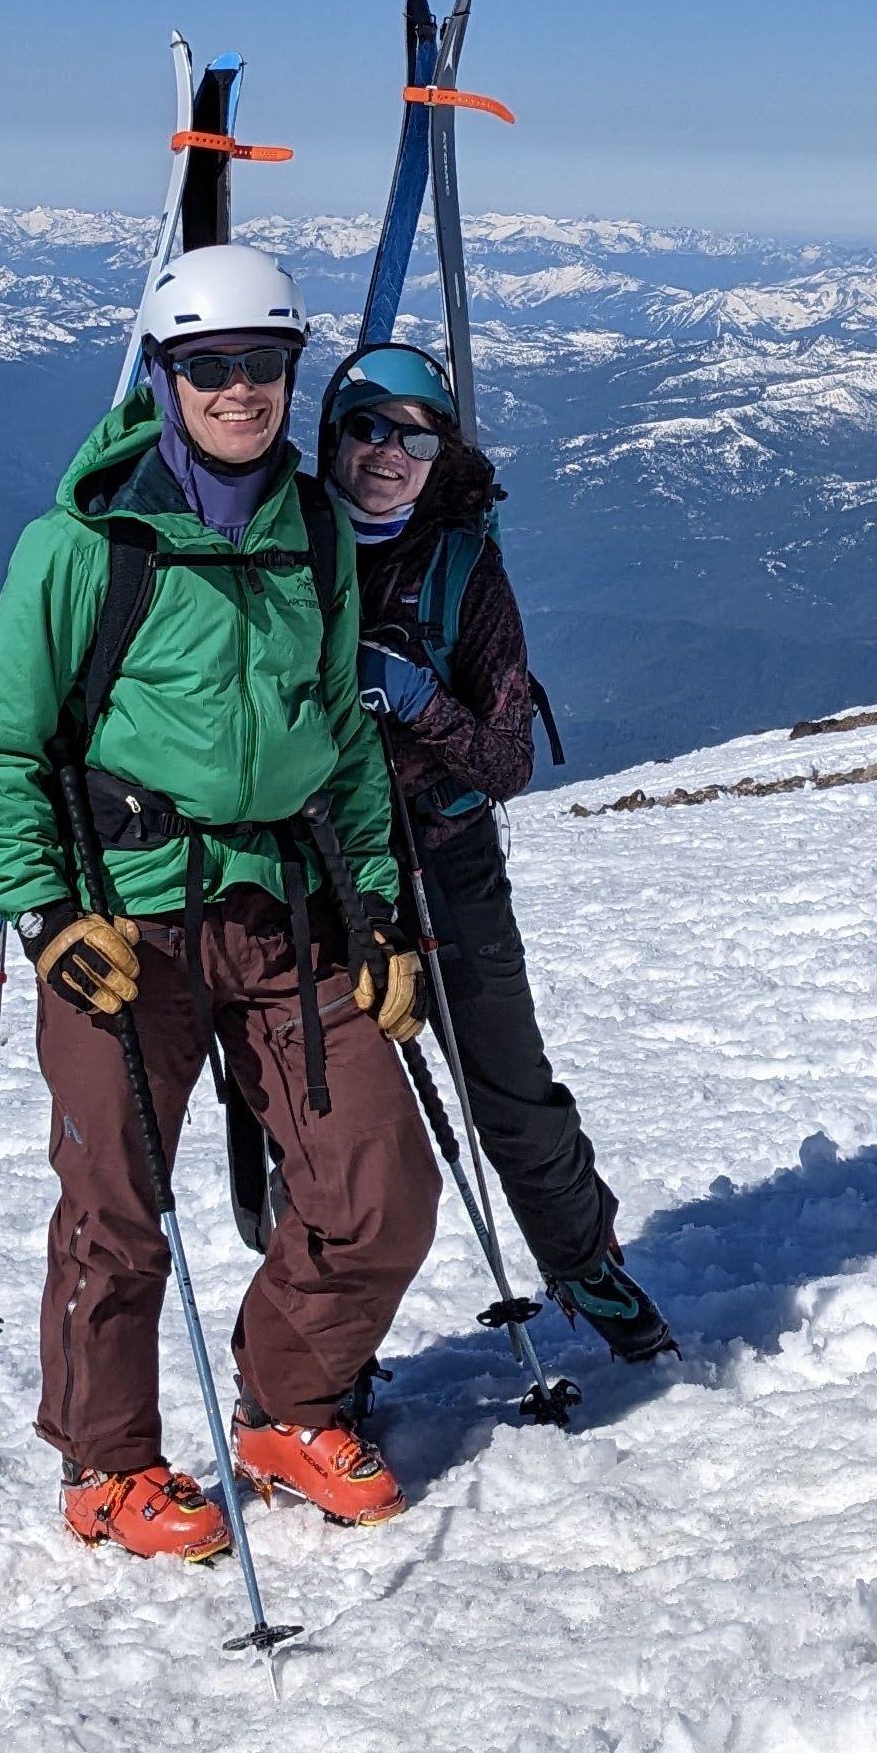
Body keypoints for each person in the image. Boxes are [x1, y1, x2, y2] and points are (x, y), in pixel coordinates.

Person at [0, 242, 439, 1562]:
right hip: (127, 925)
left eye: (263, 365)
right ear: (164, 378)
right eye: (209, 366)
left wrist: (382, 914)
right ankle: (109, 1467)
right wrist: (50, 917)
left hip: (286, 910)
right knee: (116, 1203)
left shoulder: (316, 533)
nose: (239, 390)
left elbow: (340, 734)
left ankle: (287, 1407)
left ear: (292, 373)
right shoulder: (82, 548)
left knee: (382, 1183)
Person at [318, 341, 678, 1364]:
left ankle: (585, 1266)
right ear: (334, 437)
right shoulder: (285, 544)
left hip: (445, 856)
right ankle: (318, 1346)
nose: (388, 452)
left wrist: (417, 697)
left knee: (507, 1085)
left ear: (441, 457)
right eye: (368, 427)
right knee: (318, 1111)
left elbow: (509, 757)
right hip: (326, 863)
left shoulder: (466, 572)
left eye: (415, 437)